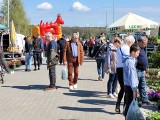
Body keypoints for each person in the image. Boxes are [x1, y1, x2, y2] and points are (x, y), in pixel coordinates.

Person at [115, 34, 135, 113]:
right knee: (127, 88)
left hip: (119, 69)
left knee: (122, 88)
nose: (133, 44)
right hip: (126, 70)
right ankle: (125, 107)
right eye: (132, 42)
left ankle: (117, 104)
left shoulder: (119, 48)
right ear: (130, 41)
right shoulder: (129, 49)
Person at [123, 43, 140, 117]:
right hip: (130, 87)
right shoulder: (130, 62)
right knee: (129, 106)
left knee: (128, 104)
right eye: (138, 53)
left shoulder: (130, 60)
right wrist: (134, 90)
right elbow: (132, 77)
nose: (138, 54)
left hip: (128, 85)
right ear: (133, 52)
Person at [136, 35, 151, 105]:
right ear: (141, 42)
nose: (146, 45)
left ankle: (144, 99)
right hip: (137, 70)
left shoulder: (142, 48)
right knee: (135, 86)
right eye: (145, 43)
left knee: (142, 86)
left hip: (142, 71)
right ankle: (136, 100)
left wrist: (146, 68)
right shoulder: (136, 48)